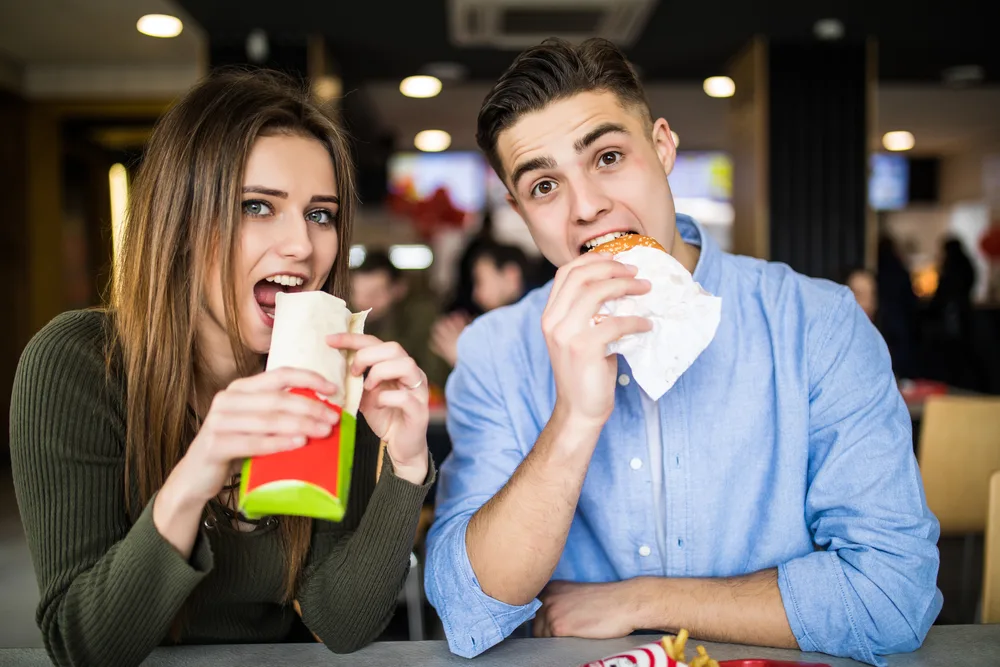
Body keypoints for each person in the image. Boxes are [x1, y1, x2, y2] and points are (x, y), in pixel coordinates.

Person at [425, 38, 941, 664]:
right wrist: (573, 421)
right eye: (544, 187)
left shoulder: (817, 323)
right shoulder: (494, 351)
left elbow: (890, 596)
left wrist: (642, 600)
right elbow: (464, 610)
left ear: (663, 148)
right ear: (520, 213)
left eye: (609, 157)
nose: (587, 207)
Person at [10, 69, 434, 667]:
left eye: (321, 214)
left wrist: (407, 466)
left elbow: (342, 623)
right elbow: (82, 646)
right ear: (181, 225)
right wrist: (200, 469)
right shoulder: (80, 363)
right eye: (256, 206)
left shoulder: (335, 373)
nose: (302, 246)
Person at [430, 241, 529, 367]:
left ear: (511, 275)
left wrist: (463, 358)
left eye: (480, 281)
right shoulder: (505, 325)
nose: (475, 295)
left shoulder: (530, 327)